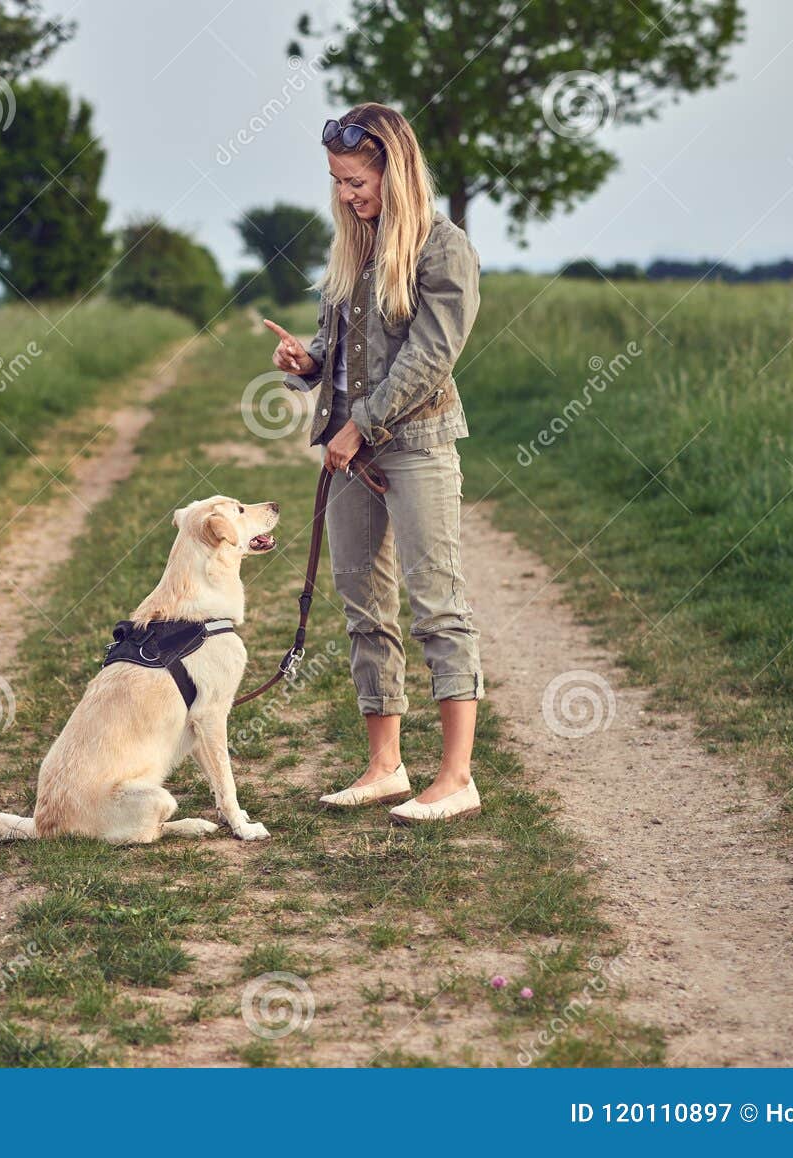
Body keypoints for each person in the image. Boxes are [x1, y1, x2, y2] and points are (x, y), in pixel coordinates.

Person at [261, 101, 484, 825]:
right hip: (351, 452)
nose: (348, 196)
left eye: (357, 181)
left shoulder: (443, 249)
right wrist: (306, 363)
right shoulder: (354, 248)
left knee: (437, 605)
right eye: (338, 182)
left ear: (396, 168)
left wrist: (360, 426)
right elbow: (352, 358)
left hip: (414, 446)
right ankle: (386, 767)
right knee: (364, 608)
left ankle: (456, 779)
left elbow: (428, 357)